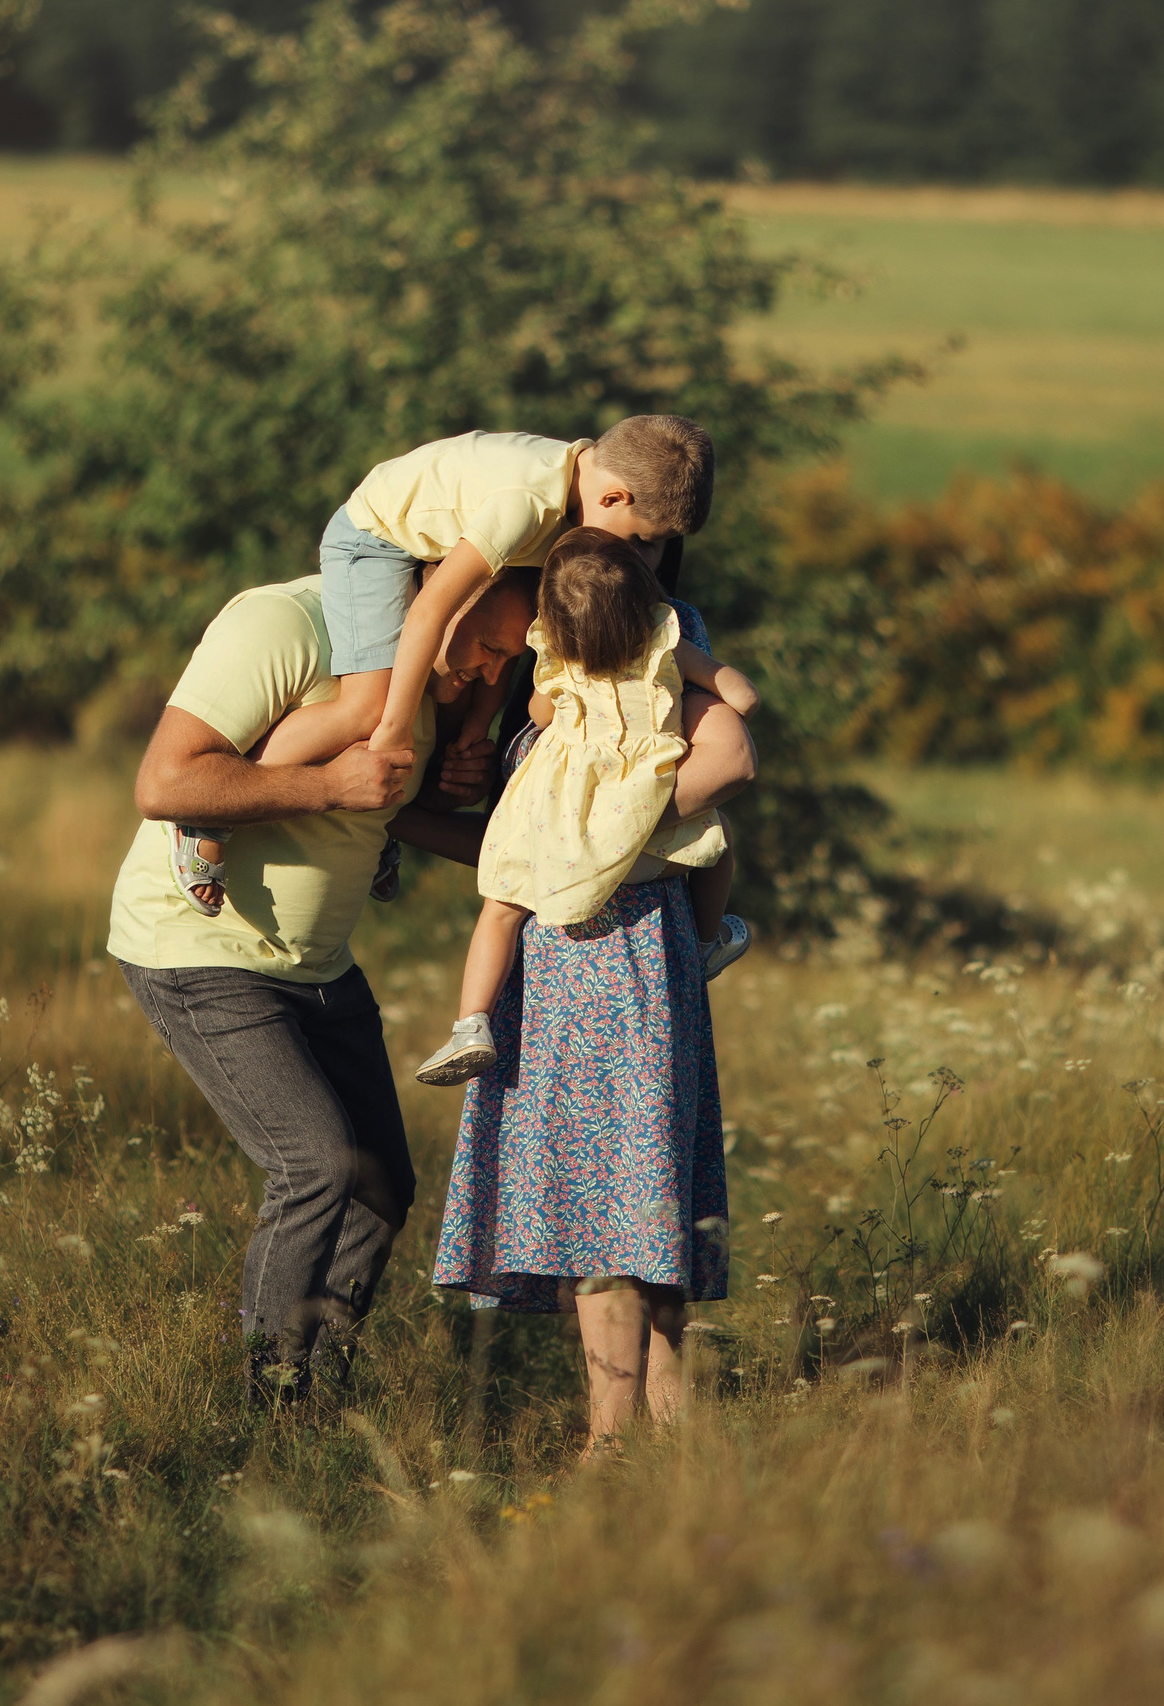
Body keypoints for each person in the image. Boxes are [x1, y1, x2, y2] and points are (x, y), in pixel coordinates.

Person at [108, 562, 528, 1406]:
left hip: (320, 966)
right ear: (445, 596)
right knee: (316, 1166)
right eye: (486, 646)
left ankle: (319, 1389)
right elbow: (166, 784)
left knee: (382, 1188)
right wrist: (330, 782)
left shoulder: (432, 683)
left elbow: (380, 807)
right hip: (201, 948)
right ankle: (267, 1403)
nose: (489, 671)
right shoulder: (287, 624)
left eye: (506, 660)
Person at [429, 559, 755, 1458]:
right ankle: (662, 1436)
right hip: (586, 962)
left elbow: (732, 754)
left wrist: (607, 841)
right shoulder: (570, 684)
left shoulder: (660, 660)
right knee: (629, 1201)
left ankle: (613, 1446)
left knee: (613, 1205)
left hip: (611, 960)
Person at [172, 416, 716, 907]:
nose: (643, 556)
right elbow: (432, 610)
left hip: (427, 546)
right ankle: (210, 817)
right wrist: (392, 728)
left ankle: (380, 825)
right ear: (615, 497)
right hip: (373, 540)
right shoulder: (525, 505)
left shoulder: (582, 482)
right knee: (366, 707)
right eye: (645, 540)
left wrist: (474, 733)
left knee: (500, 648)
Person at [416, 527, 757, 1089]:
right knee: (714, 847)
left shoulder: (554, 654)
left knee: (500, 910)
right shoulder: (662, 642)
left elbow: (540, 715)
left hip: (553, 821)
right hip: (635, 827)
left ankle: (470, 1022)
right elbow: (743, 696)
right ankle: (706, 944)